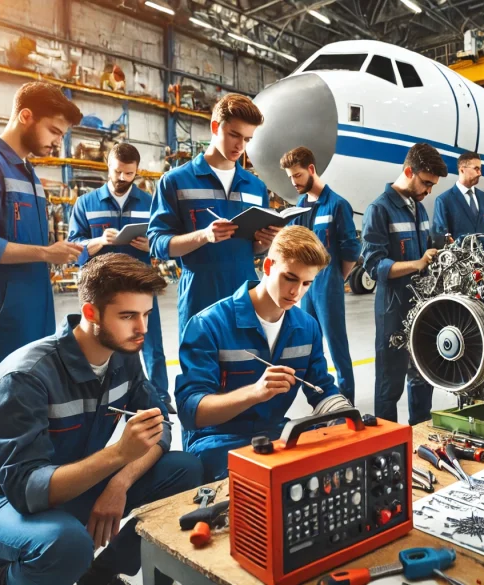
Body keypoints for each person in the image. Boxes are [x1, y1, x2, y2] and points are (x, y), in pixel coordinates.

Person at [0, 253, 203, 585]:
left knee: (186, 470)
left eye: (146, 314)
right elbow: (27, 490)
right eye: (128, 316)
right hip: (1, 506)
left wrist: (119, 483)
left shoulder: (122, 356)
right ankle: (7, 577)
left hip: (72, 487)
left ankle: (99, 575)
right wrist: (117, 454)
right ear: (90, 312)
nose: (141, 328)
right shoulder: (25, 377)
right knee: (68, 544)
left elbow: (160, 428)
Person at [175, 226, 347, 481]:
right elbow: (191, 412)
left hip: (275, 435)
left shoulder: (307, 327)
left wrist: (350, 422)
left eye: (306, 283)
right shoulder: (208, 324)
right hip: (216, 443)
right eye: (289, 278)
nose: (296, 292)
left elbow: (322, 389)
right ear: (267, 266)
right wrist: (254, 393)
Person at [0, 81, 85, 394]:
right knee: (2, 396)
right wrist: (45, 254)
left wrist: (53, 256)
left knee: (31, 393)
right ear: (26, 116)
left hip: (35, 298)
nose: (57, 144)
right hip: (3, 301)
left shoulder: (28, 173)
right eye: (54, 131)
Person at [147, 94, 280, 336]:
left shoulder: (255, 187)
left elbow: (254, 249)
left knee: (247, 370)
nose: (240, 146)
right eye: (234, 135)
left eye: (247, 139)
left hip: (246, 295)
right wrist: (204, 236)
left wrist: (263, 243)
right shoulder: (175, 181)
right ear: (215, 127)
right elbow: (158, 244)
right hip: (199, 295)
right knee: (200, 371)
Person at [68, 143, 172, 413]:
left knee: (151, 343)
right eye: (117, 172)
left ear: (136, 172)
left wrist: (149, 246)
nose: (122, 179)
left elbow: (163, 240)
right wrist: (98, 241)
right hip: (101, 290)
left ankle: (160, 399)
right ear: (108, 166)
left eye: (129, 174)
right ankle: (98, 400)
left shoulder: (151, 204)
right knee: (99, 342)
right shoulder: (86, 204)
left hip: (141, 287)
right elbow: (73, 247)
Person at [361, 143, 447, 425]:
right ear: (409, 171)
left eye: (432, 186)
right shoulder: (380, 209)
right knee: (389, 387)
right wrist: (417, 263)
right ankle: (384, 450)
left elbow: (424, 250)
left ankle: (420, 436)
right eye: (426, 183)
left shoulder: (419, 209)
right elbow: (374, 266)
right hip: (394, 311)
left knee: (423, 380)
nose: (428, 191)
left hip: (422, 311)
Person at [282, 146, 362, 403]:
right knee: (308, 342)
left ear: (311, 170)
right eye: (290, 177)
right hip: (305, 286)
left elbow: (350, 250)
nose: (293, 182)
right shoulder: (300, 206)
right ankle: (319, 398)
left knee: (337, 344)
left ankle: (345, 399)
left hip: (328, 282)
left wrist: (337, 277)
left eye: (297, 176)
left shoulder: (337, 204)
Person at [431, 152, 484, 246]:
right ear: (462, 170)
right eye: (476, 169)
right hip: (461, 259)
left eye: (480, 169)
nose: (480, 173)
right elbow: (440, 238)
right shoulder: (444, 201)